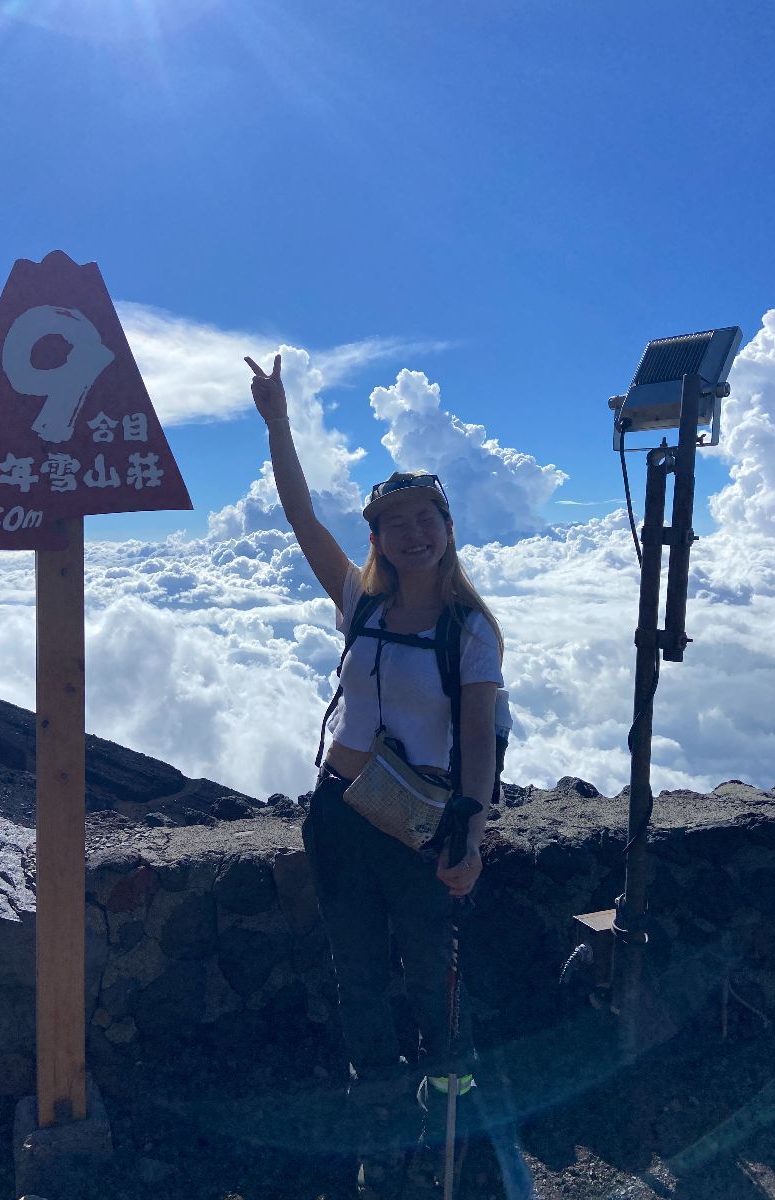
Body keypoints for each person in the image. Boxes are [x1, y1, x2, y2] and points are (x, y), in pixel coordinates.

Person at [245, 353, 528, 1199]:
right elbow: (300, 516)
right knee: (360, 980)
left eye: (425, 518)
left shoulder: (468, 628)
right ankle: (384, 1127)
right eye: (394, 522)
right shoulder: (360, 603)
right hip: (339, 816)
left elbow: (476, 739)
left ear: (448, 528)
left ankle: (450, 1124)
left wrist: (470, 835)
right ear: (375, 538)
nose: (412, 533)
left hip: (421, 829)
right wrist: (278, 423)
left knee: (433, 983)